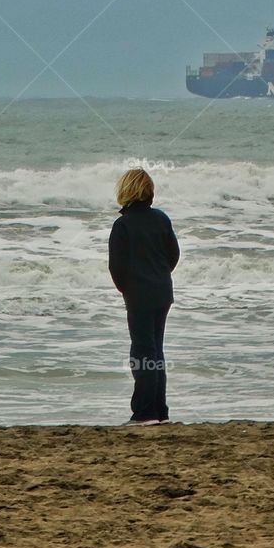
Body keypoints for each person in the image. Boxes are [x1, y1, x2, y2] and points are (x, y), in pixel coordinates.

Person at [108, 169, 180, 426]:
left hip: (139, 294)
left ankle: (145, 413)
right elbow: (173, 255)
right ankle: (160, 410)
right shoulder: (161, 219)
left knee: (142, 352)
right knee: (155, 351)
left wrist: (126, 288)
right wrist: (159, 275)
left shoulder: (123, 225)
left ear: (126, 191)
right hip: (162, 292)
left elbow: (116, 266)